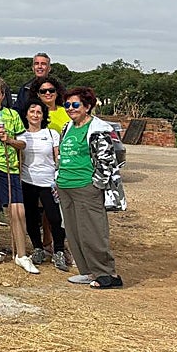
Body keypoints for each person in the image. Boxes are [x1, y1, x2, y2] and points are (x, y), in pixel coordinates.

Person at [57, 87, 123, 289]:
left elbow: (106, 160)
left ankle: (106, 274)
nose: (70, 108)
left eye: (75, 104)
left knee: (92, 232)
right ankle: (88, 271)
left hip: (85, 185)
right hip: (66, 185)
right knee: (74, 231)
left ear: (87, 106)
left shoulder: (98, 129)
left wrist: (97, 183)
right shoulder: (68, 127)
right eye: (67, 105)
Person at [0, 78, 40, 273]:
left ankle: (21, 254)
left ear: (3, 96)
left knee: (17, 211)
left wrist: (9, 139)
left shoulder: (12, 115)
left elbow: (23, 144)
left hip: (9, 167)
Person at [18, 99, 69, 272]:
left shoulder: (51, 134)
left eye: (39, 112)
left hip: (48, 182)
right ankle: (37, 248)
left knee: (55, 217)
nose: (35, 115)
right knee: (32, 218)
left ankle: (59, 251)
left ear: (43, 115)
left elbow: (57, 157)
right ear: (26, 114)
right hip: (28, 180)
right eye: (32, 111)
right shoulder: (21, 135)